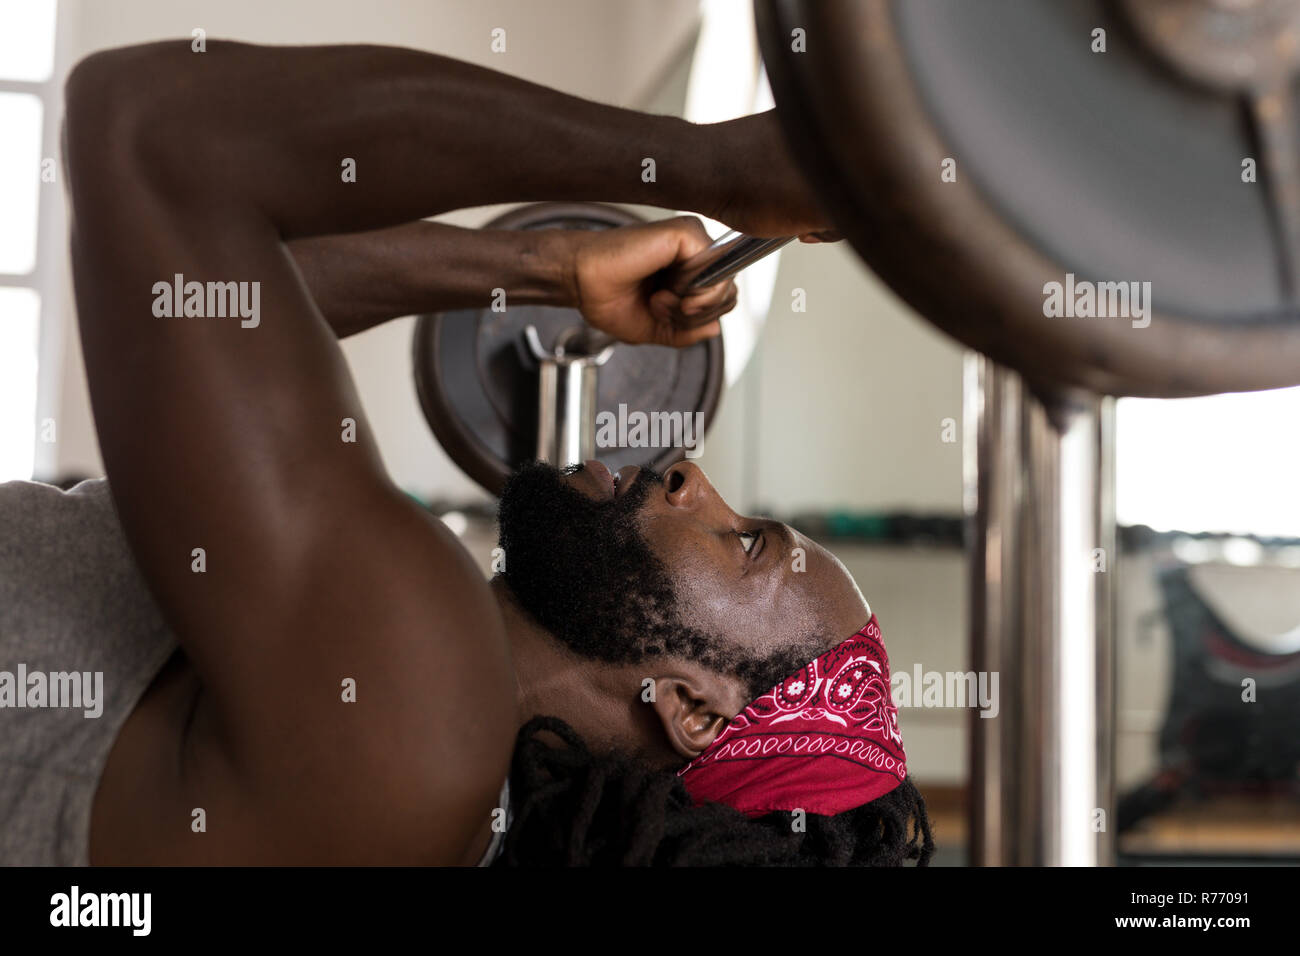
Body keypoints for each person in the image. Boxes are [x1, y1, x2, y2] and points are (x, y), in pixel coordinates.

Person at [0, 39, 931, 866]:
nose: (691, 474)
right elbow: (203, 310)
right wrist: (541, 269)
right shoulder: (432, 756)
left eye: (748, 544)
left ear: (693, 710)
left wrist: (709, 162)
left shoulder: (426, 721)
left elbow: (153, 128)